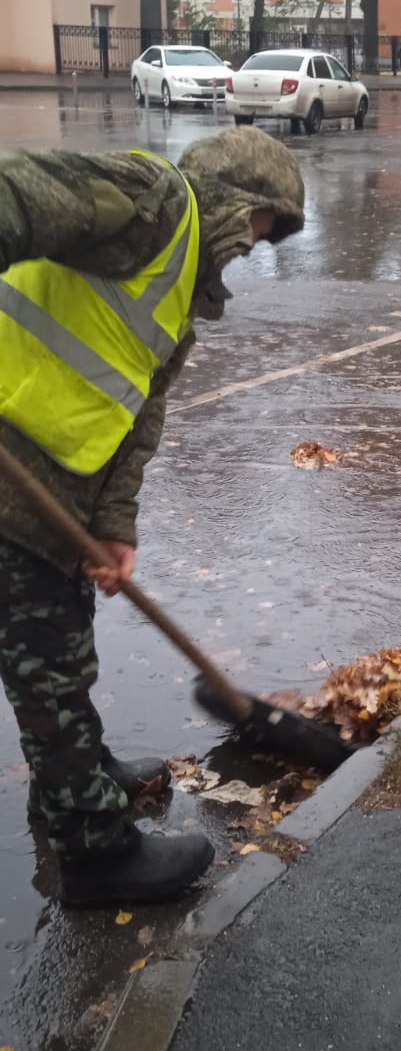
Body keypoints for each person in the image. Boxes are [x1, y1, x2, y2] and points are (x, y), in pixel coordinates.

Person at [0, 129, 305, 906]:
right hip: (11, 466)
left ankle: (80, 775)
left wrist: (115, 524)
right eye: (268, 224)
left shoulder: (179, 293)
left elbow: (140, 414)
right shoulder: (152, 202)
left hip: (57, 486)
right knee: (47, 669)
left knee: (63, 646)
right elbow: (20, 188)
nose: (260, 246)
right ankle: (96, 853)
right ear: (241, 201)